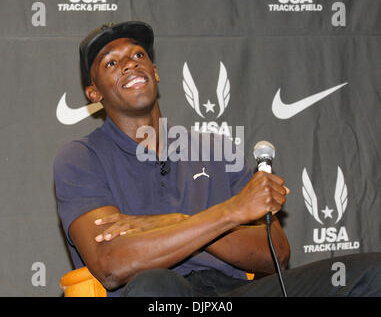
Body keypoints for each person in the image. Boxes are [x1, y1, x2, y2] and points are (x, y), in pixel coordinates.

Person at [54, 21, 381, 297]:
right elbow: (113, 266)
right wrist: (228, 213)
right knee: (155, 284)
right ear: (94, 93)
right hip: (160, 295)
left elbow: (275, 254)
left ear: (154, 71)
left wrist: (178, 220)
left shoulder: (215, 148)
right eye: (111, 62)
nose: (130, 63)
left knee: (371, 273)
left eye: (139, 55)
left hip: (230, 294)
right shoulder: (82, 158)